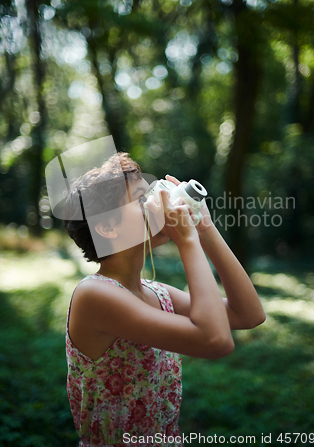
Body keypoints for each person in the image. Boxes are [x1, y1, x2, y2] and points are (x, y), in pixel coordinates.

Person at [64, 152, 266, 447]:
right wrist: (186, 240)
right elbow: (216, 341)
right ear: (107, 227)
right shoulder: (94, 294)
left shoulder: (159, 293)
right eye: (141, 199)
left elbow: (248, 315)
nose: (159, 203)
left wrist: (205, 228)